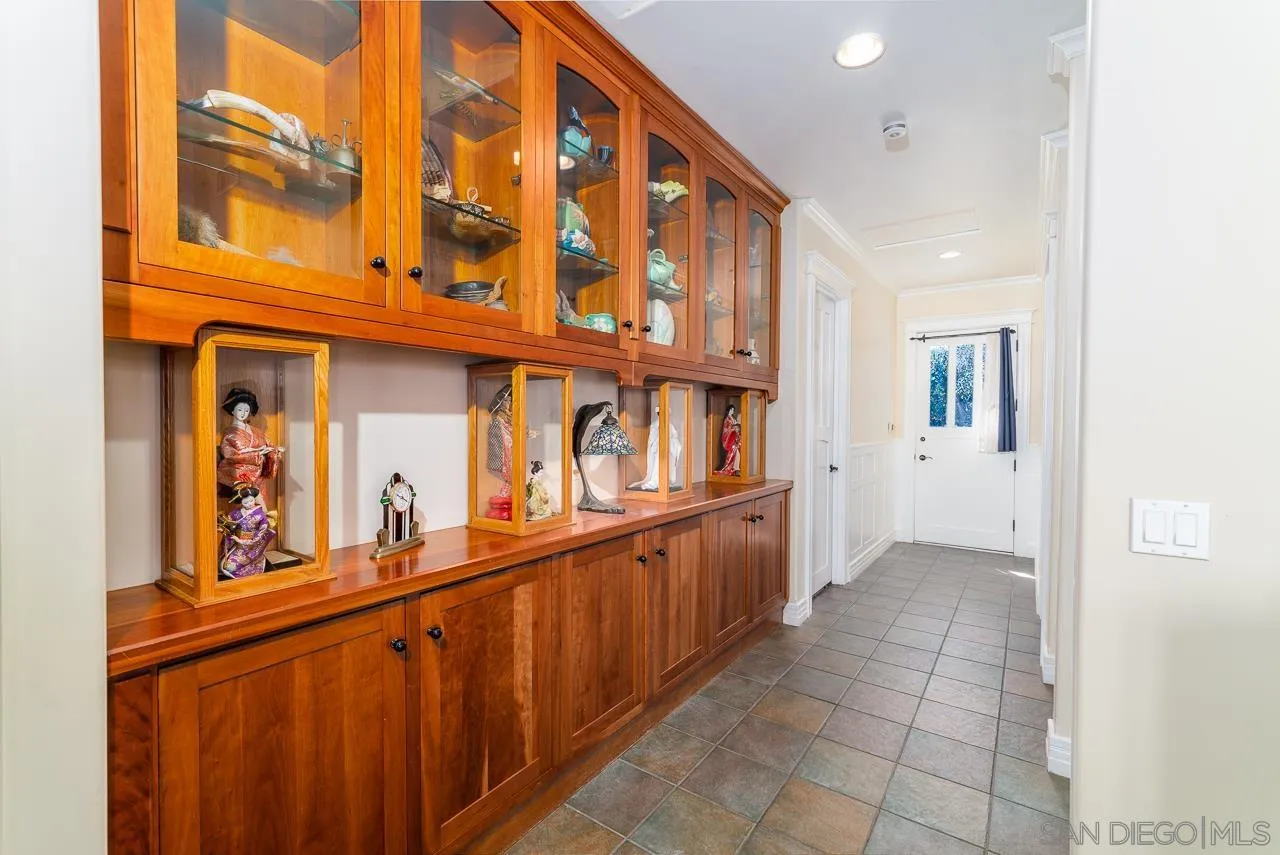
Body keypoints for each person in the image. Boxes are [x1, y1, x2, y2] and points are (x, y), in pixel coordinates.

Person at [217, 387, 283, 501]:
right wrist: (258, 453)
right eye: (240, 410)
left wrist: (274, 451)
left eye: (246, 411)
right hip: (240, 477)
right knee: (248, 503)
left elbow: (268, 444)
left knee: (260, 506)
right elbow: (230, 455)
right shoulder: (230, 433)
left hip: (259, 475)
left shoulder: (256, 431)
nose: (243, 413)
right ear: (232, 410)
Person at [218, 483, 276, 578]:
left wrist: (241, 540)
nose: (249, 504)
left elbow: (261, 534)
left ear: (254, 499)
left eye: (251, 501)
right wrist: (225, 525)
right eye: (245, 502)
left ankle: (254, 564)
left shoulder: (260, 515)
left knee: (231, 568)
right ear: (241, 502)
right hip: (238, 546)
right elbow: (229, 520)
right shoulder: (237, 512)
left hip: (251, 547)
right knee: (226, 566)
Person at [714, 404, 741, 476]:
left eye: (733, 410)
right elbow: (726, 430)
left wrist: (736, 427)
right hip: (730, 439)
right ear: (728, 410)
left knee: (736, 453)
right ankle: (728, 468)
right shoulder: (727, 419)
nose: (732, 411)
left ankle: (734, 468)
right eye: (731, 410)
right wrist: (733, 428)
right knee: (731, 454)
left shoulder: (732, 418)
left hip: (735, 438)